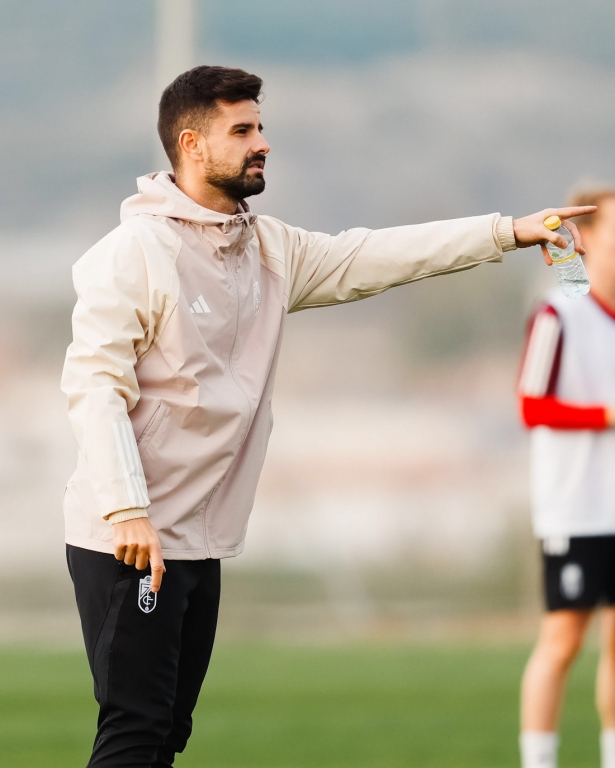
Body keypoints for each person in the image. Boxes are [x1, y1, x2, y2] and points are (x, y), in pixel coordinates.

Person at [61, 64, 594, 768]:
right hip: (129, 539)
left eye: (261, 127)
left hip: (198, 539)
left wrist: (508, 231)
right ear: (191, 145)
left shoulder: (269, 249)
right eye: (242, 130)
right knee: (134, 733)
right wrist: (127, 509)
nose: (263, 143)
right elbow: (94, 385)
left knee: (164, 735)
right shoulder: (132, 254)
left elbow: (375, 255)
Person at [518, 185, 615, 768]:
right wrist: (605, 416)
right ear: (590, 239)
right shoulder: (560, 312)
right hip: (576, 508)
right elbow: (532, 404)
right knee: (563, 643)